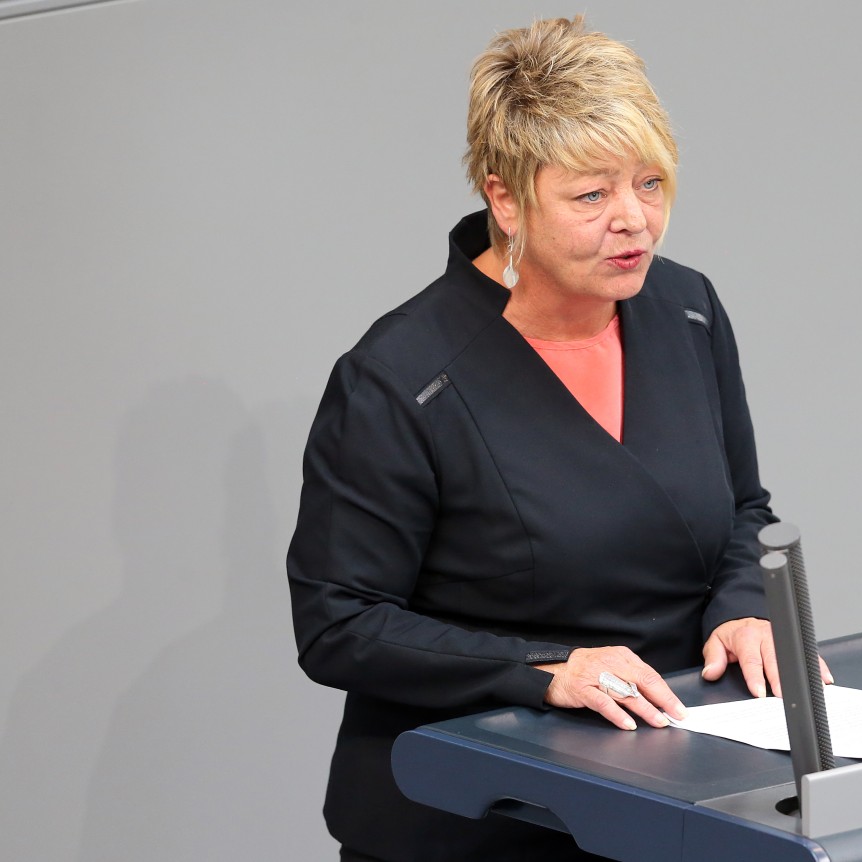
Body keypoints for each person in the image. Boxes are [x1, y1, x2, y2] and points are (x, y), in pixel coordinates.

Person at [287, 16, 818, 862]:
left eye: (650, 183)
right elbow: (338, 623)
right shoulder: (399, 377)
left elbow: (742, 509)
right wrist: (548, 666)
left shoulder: (686, 310)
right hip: (479, 815)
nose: (633, 221)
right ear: (505, 198)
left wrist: (747, 609)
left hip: (675, 789)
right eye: (591, 194)